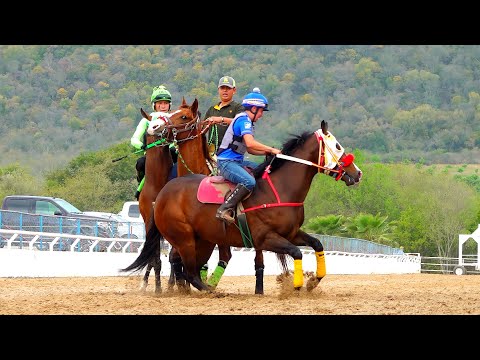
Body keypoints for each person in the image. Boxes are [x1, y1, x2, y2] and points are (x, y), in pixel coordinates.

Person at [215, 87, 281, 223]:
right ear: (253, 108)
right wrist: (271, 149)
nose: (261, 114)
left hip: (237, 162)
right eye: (261, 110)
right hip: (226, 163)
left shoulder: (248, 123)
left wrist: (266, 152)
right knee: (249, 181)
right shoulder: (243, 121)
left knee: (262, 172)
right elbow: (250, 144)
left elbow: (250, 150)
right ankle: (224, 209)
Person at [130, 85, 177, 200]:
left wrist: (173, 146)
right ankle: (142, 188)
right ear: (154, 105)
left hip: (170, 153)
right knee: (140, 163)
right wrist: (142, 146)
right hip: (151, 155)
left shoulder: (174, 119)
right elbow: (134, 139)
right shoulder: (146, 120)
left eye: (165, 103)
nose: (162, 106)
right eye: (159, 103)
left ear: (169, 105)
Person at [204, 76, 244, 154]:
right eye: (222, 88)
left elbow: (240, 123)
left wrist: (221, 119)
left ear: (234, 90)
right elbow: (203, 129)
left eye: (228, 88)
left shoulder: (238, 107)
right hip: (211, 151)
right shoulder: (212, 109)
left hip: (229, 151)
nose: (225, 90)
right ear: (218, 90)